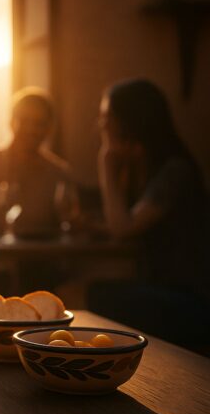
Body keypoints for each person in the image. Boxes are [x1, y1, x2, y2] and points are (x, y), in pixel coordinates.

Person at [89, 78, 209, 349]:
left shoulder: (175, 172)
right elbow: (126, 224)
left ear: (131, 120)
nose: (101, 124)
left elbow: (122, 228)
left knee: (82, 294)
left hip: (193, 302)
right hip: (166, 291)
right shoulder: (142, 166)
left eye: (108, 116)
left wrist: (105, 161)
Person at [0, 87, 75, 239]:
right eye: (24, 120)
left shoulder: (59, 174)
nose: (31, 129)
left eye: (39, 123)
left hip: (43, 261)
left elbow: (70, 225)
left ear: (49, 128)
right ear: (11, 122)